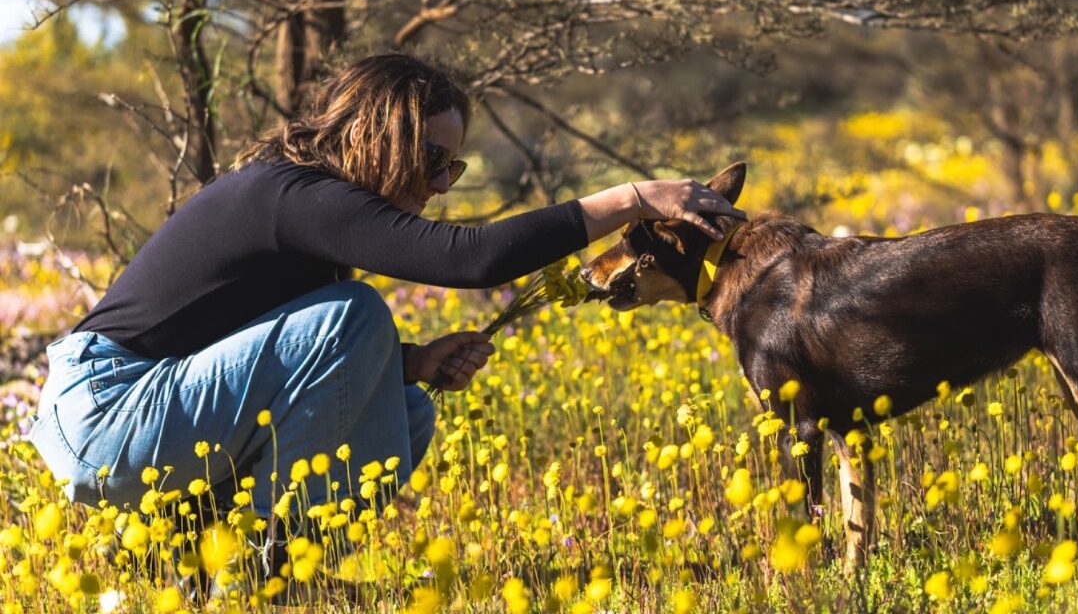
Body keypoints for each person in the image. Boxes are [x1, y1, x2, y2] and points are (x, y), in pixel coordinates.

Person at [29, 52, 743, 527]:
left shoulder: (307, 204)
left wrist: (415, 363)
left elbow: (247, 348)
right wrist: (635, 198)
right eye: (433, 159)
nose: (438, 185)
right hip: (108, 407)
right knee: (354, 316)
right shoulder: (295, 195)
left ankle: (263, 568)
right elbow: (476, 259)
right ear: (378, 136)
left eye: (452, 169)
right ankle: (264, 564)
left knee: (404, 408)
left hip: (149, 412)